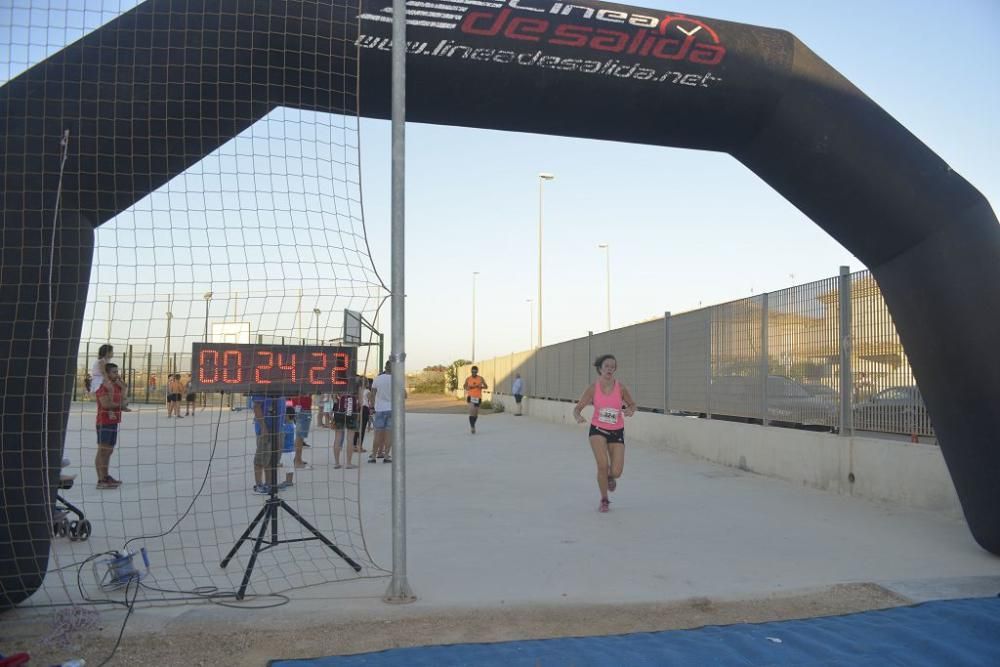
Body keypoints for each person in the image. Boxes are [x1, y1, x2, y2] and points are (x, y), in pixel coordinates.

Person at [572, 354, 637, 513]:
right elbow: (577, 408)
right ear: (600, 368)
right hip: (598, 430)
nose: (610, 369)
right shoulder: (593, 388)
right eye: (606, 366)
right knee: (602, 465)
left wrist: (630, 410)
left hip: (617, 431)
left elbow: (633, 404)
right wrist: (578, 416)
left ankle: (610, 477)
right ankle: (604, 499)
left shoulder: (620, 388)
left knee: (616, 471)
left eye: (612, 366)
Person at [95, 362, 131, 489]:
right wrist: (121, 406)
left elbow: (123, 401)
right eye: (114, 372)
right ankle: (101, 480)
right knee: (102, 450)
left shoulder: (116, 387)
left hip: (113, 422)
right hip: (103, 422)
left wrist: (124, 389)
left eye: (117, 371)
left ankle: (106, 476)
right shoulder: (102, 387)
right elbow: (105, 404)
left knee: (109, 451)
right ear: (107, 373)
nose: (117, 374)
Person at [250, 393, 285, 494]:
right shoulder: (261, 387)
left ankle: (270, 483)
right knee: (261, 459)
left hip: (279, 428)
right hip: (266, 430)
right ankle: (259, 485)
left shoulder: (283, 385)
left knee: (273, 459)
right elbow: (256, 407)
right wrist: (263, 427)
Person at [369, 361, 394, 463]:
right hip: (392, 409)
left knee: (377, 434)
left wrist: (373, 406)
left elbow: (372, 394)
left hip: (379, 409)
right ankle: (386, 456)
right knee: (389, 435)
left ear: (385, 367)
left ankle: (374, 456)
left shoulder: (377, 379)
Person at [331, 385, 359, 469]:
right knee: (350, 438)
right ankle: (348, 463)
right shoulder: (355, 382)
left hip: (339, 411)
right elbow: (360, 400)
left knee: (338, 437)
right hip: (351, 411)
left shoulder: (338, 381)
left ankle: (336, 463)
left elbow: (334, 398)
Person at [289, 394, 313, 469]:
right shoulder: (305, 383)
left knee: (299, 436)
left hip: (297, 407)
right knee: (299, 436)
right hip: (303, 408)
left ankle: (298, 459)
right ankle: (297, 461)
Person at [463, 366, 488, 434]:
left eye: (475, 372)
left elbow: (486, 386)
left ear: (477, 372)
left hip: (478, 398)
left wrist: (481, 387)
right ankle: (472, 427)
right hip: (470, 397)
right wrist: (467, 387)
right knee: (471, 411)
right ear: (471, 371)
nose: (474, 373)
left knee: (476, 414)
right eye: (473, 372)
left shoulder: (480, 378)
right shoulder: (468, 379)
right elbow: (464, 386)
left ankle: (473, 424)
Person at [277, 410, 297, 490]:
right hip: (291, 449)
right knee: (289, 466)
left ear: (288, 416)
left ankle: (289, 481)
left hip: (287, 450)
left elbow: (283, 437)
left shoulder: (288, 426)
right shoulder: (293, 425)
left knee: (288, 467)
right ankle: (288, 480)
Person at [353, 378, 372, 453]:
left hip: (356, 408)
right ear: (366, 383)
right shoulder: (367, 391)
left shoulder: (356, 390)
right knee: (362, 429)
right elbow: (370, 401)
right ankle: (359, 446)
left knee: (356, 428)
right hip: (364, 409)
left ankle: (354, 445)